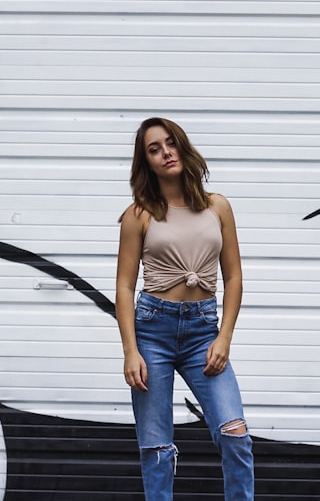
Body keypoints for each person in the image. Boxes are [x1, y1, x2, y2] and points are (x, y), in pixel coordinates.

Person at [116, 117, 255, 501]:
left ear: (183, 146)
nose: (165, 153)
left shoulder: (218, 207)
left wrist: (224, 337)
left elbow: (235, 277)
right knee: (157, 449)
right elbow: (124, 287)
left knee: (235, 433)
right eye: (154, 149)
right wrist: (130, 351)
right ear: (146, 162)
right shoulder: (138, 215)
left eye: (170, 143)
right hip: (152, 333)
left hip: (202, 333)